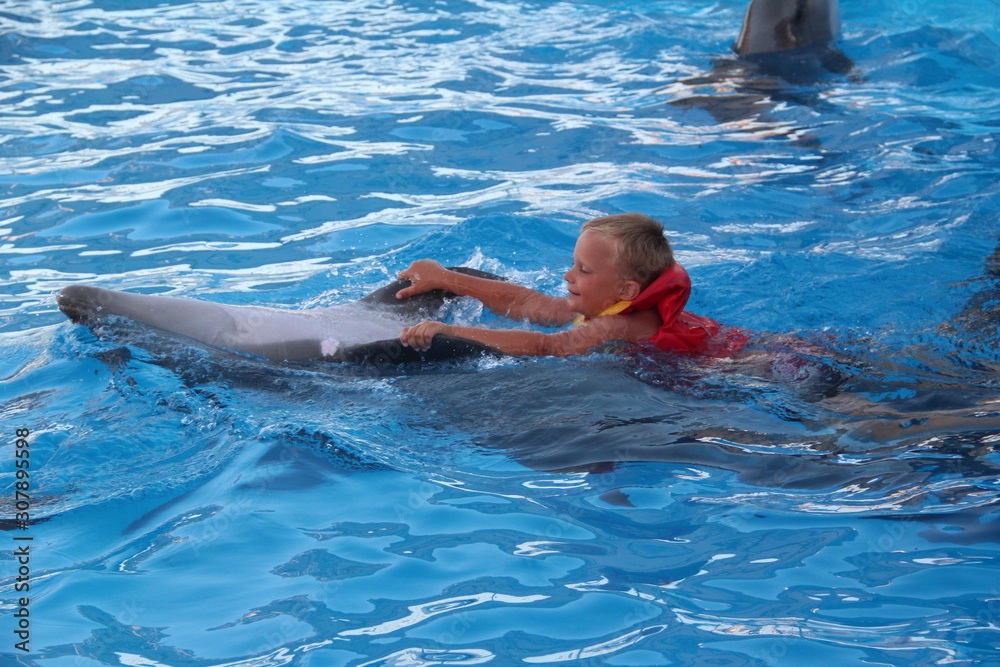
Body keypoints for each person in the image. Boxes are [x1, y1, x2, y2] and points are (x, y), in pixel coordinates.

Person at [397, 213, 746, 357]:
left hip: (731, 367)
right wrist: (445, 277)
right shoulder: (606, 304)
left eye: (584, 270)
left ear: (625, 292)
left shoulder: (617, 324)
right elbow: (527, 304)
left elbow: (546, 346)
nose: (568, 276)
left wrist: (450, 330)